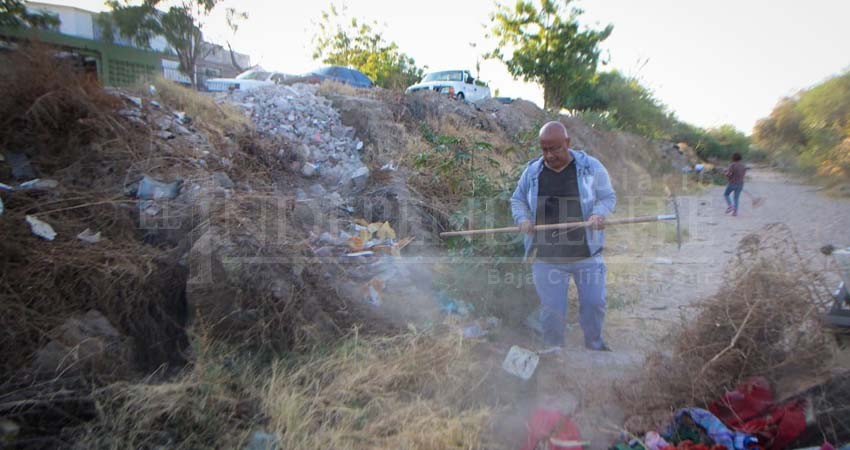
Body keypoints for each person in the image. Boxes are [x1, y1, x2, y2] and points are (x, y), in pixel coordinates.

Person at [511, 121, 616, 352]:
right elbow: (517, 199)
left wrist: (599, 214)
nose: (549, 155)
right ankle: (553, 350)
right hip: (548, 258)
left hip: (586, 253)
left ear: (567, 143)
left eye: (555, 149)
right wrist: (523, 219)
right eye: (544, 149)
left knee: (594, 303)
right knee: (552, 309)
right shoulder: (532, 172)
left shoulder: (590, 167)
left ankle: (594, 344)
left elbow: (607, 197)